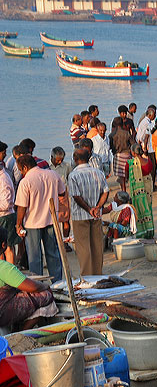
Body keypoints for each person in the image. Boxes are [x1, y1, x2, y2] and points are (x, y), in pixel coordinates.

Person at [15, 155, 65, 282]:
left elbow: (22, 206)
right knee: (53, 254)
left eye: (21, 170)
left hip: (32, 223)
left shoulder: (25, 181)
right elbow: (62, 192)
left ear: (25, 167)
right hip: (50, 219)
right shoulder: (52, 174)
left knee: (35, 257)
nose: (21, 173)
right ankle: (57, 283)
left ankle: (37, 285)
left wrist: (18, 224)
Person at [0, 227, 58, 330]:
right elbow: (33, 287)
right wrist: (45, 286)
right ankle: (22, 333)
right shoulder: (4, 267)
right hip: (2, 313)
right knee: (46, 295)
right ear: (4, 244)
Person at [68, 147, 109, 276]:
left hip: (80, 216)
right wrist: (98, 207)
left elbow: (76, 196)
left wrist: (89, 209)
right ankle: (97, 274)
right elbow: (105, 192)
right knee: (97, 246)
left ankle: (87, 276)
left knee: (83, 247)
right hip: (96, 215)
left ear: (75, 160)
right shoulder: (98, 173)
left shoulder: (73, 175)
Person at [110, 116, 135, 191]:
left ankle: (124, 191)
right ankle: (132, 191)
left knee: (122, 178)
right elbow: (132, 144)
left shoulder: (112, 135)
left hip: (118, 156)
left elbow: (111, 147)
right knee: (129, 175)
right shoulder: (126, 133)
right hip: (127, 155)